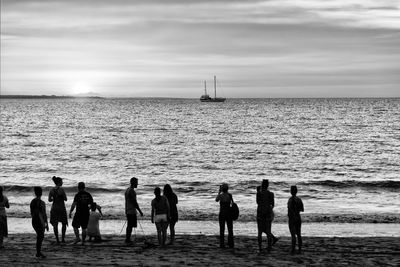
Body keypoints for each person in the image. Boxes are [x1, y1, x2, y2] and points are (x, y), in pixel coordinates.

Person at [256, 179, 278, 252]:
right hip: (267, 213)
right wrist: (269, 209)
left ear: (262, 185)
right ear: (268, 185)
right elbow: (273, 204)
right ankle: (269, 247)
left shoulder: (258, 193)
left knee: (259, 231)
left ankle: (260, 247)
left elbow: (257, 202)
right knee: (268, 231)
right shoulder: (271, 194)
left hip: (260, 212)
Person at [30, 186, 49, 258]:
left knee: (39, 236)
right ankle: (38, 253)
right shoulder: (42, 203)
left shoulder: (32, 202)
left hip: (34, 220)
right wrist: (46, 223)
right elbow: (44, 214)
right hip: (40, 220)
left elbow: (32, 213)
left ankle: (38, 252)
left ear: (35, 193)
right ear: (41, 193)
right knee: (40, 236)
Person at [48, 176, 68, 243]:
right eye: (62, 181)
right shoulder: (61, 189)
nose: (62, 182)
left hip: (54, 208)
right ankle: (62, 239)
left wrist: (54, 198)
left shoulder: (51, 190)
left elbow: (49, 200)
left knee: (55, 224)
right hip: (61, 208)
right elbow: (65, 199)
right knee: (64, 223)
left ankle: (57, 239)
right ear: (59, 182)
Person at [125, 177, 143, 245]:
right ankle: (127, 239)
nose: (137, 184)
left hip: (128, 209)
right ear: (133, 183)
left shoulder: (127, 190)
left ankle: (127, 238)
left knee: (129, 225)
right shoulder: (131, 191)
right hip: (131, 210)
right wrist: (140, 211)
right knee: (130, 225)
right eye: (136, 182)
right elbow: (134, 202)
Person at [215, 183, 234, 248]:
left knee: (222, 229)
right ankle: (231, 243)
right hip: (229, 213)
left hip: (222, 213)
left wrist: (219, 191)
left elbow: (216, 200)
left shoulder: (221, 195)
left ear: (222, 189)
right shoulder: (229, 195)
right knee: (230, 229)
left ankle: (222, 244)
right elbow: (232, 203)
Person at [288, 185, 304, 254]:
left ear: (291, 191)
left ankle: (293, 250)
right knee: (299, 234)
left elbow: (289, 209)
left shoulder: (290, 200)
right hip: (298, 217)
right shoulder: (299, 199)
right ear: (296, 191)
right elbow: (302, 209)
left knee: (293, 235)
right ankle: (300, 249)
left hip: (292, 218)